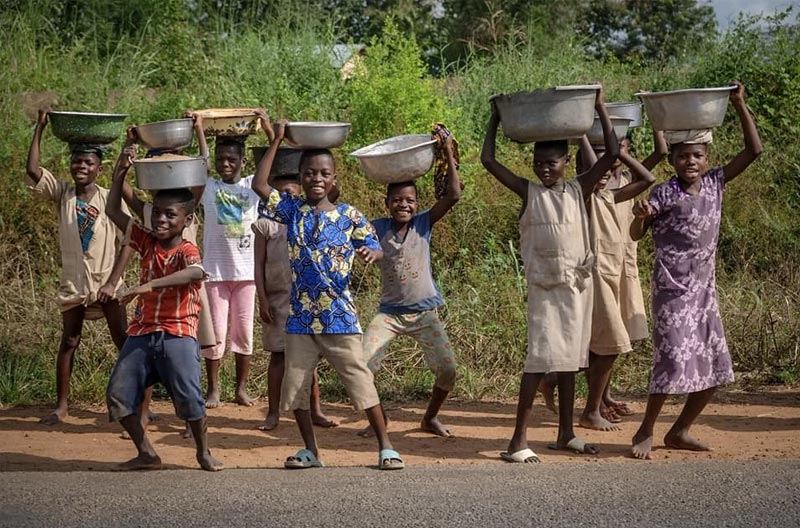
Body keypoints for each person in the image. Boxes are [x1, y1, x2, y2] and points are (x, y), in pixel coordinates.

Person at [252, 117, 404, 470]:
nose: (316, 179)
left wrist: (372, 253)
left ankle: (385, 446)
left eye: (323, 174)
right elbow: (260, 183)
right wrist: (275, 140)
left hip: (339, 316)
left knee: (360, 381)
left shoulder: (349, 216)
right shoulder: (292, 211)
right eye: (309, 173)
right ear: (301, 177)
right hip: (301, 318)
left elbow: (375, 245)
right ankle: (310, 451)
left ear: (334, 179)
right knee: (297, 387)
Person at [481, 87, 619, 463]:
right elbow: (488, 161)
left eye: (551, 163)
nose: (544, 169)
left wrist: (600, 108)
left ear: (566, 162)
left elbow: (612, 153)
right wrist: (495, 118)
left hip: (577, 288)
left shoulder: (580, 188)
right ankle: (516, 441)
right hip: (544, 290)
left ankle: (566, 433)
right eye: (539, 163)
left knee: (572, 361)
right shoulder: (529, 192)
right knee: (539, 361)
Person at [629, 82, 762, 460]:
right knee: (671, 361)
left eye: (698, 156)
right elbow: (636, 234)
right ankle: (645, 430)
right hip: (672, 289)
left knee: (716, 367)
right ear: (672, 160)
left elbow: (754, 150)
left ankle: (681, 430)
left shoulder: (716, 183)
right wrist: (639, 218)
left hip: (704, 291)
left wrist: (739, 103)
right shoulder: (663, 193)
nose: (691, 162)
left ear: (706, 158)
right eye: (684, 156)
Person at [104, 142, 223, 472]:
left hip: (178, 333)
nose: (161, 219)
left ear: (186, 220)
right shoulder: (145, 240)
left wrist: (148, 285)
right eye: (157, 212)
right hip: (142, 332)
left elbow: (196, 273)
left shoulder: (186, 249)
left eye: (170, 215)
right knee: (117, 395)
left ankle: (203, 452)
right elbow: (114, 210)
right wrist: (122, 168)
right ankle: (147, 452)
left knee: (190, 399)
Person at [26, 109, 129, 425]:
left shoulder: (110, 199)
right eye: (77, 162)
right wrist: (40, 129)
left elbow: (129, 242)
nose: (81, 167)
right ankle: (61, 406)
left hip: (107, 283)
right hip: (74, 282)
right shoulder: (63, 194)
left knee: (125, 344)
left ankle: (128, 403)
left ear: (99, 168)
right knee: (69, 341)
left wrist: (113, 281)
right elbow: (33, 171)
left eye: (88, 163)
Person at [361, 130, 461, 438]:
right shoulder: (376, 227)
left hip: (423, 312)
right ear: (386, 202)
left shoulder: (423, 224)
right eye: (397, 200)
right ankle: (378, 420)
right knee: (362, 367)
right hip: (389, 314)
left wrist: (445, 150)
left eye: (410, 201)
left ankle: (429, 418)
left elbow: (453, 195)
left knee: (447, 369)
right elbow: (367, 243)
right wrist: (371, 252)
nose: (403, 205)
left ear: (417, 204)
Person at [575, 131, 662, 431]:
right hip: (596, 276)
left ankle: (590, 399)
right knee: (608, 344)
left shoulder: (613, 192)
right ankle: (589, 408)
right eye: (600, 161)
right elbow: (591, 167)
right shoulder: (583, 194)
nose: (607, 164)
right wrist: (583, 132)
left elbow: (648, 176)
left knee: (602, 344)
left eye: (612, 155)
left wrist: (619, 153)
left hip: (617, 270)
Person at [252, 172, 338, 431]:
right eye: (280, 194)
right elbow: (258, 265)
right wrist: (262, 299)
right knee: (278, 357)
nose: (286, 197)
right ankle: (273, 413)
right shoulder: (266, 224)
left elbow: (334, 192)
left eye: (291, 193)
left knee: (308, 360)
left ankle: (316, 411)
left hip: (306, 301)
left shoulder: (308, 218)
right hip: (278, 301)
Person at [201, 115, 274, 408]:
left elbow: (272, 154)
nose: (225, 164)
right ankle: (213, 390)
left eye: (232, 159)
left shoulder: (252, 187)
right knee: (215, 334)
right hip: (215, 273)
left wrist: (269, 128)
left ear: (243, 161)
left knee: (243, 334)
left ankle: (241, 389)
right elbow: (201, 162)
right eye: (221, 159)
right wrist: (198, 129)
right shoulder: (208, 188)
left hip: (246, 273)